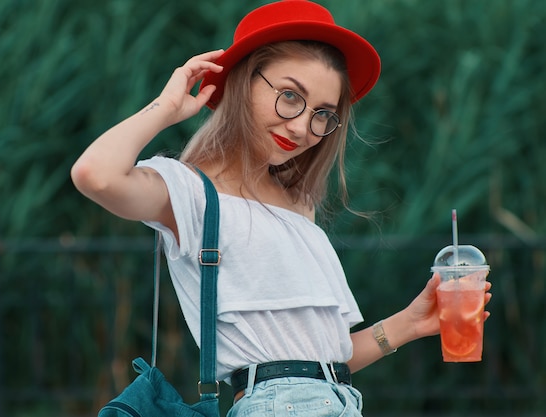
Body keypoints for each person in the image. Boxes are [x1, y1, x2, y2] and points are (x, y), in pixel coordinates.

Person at [71, 1, 492, 415]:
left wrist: (410, 323)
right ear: (241, 81)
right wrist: (168, 107)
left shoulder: (299, 207)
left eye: (323, 113)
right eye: (290, 96)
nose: (302, 127)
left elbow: (322, 364)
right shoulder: (191, 193)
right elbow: (96, 175)